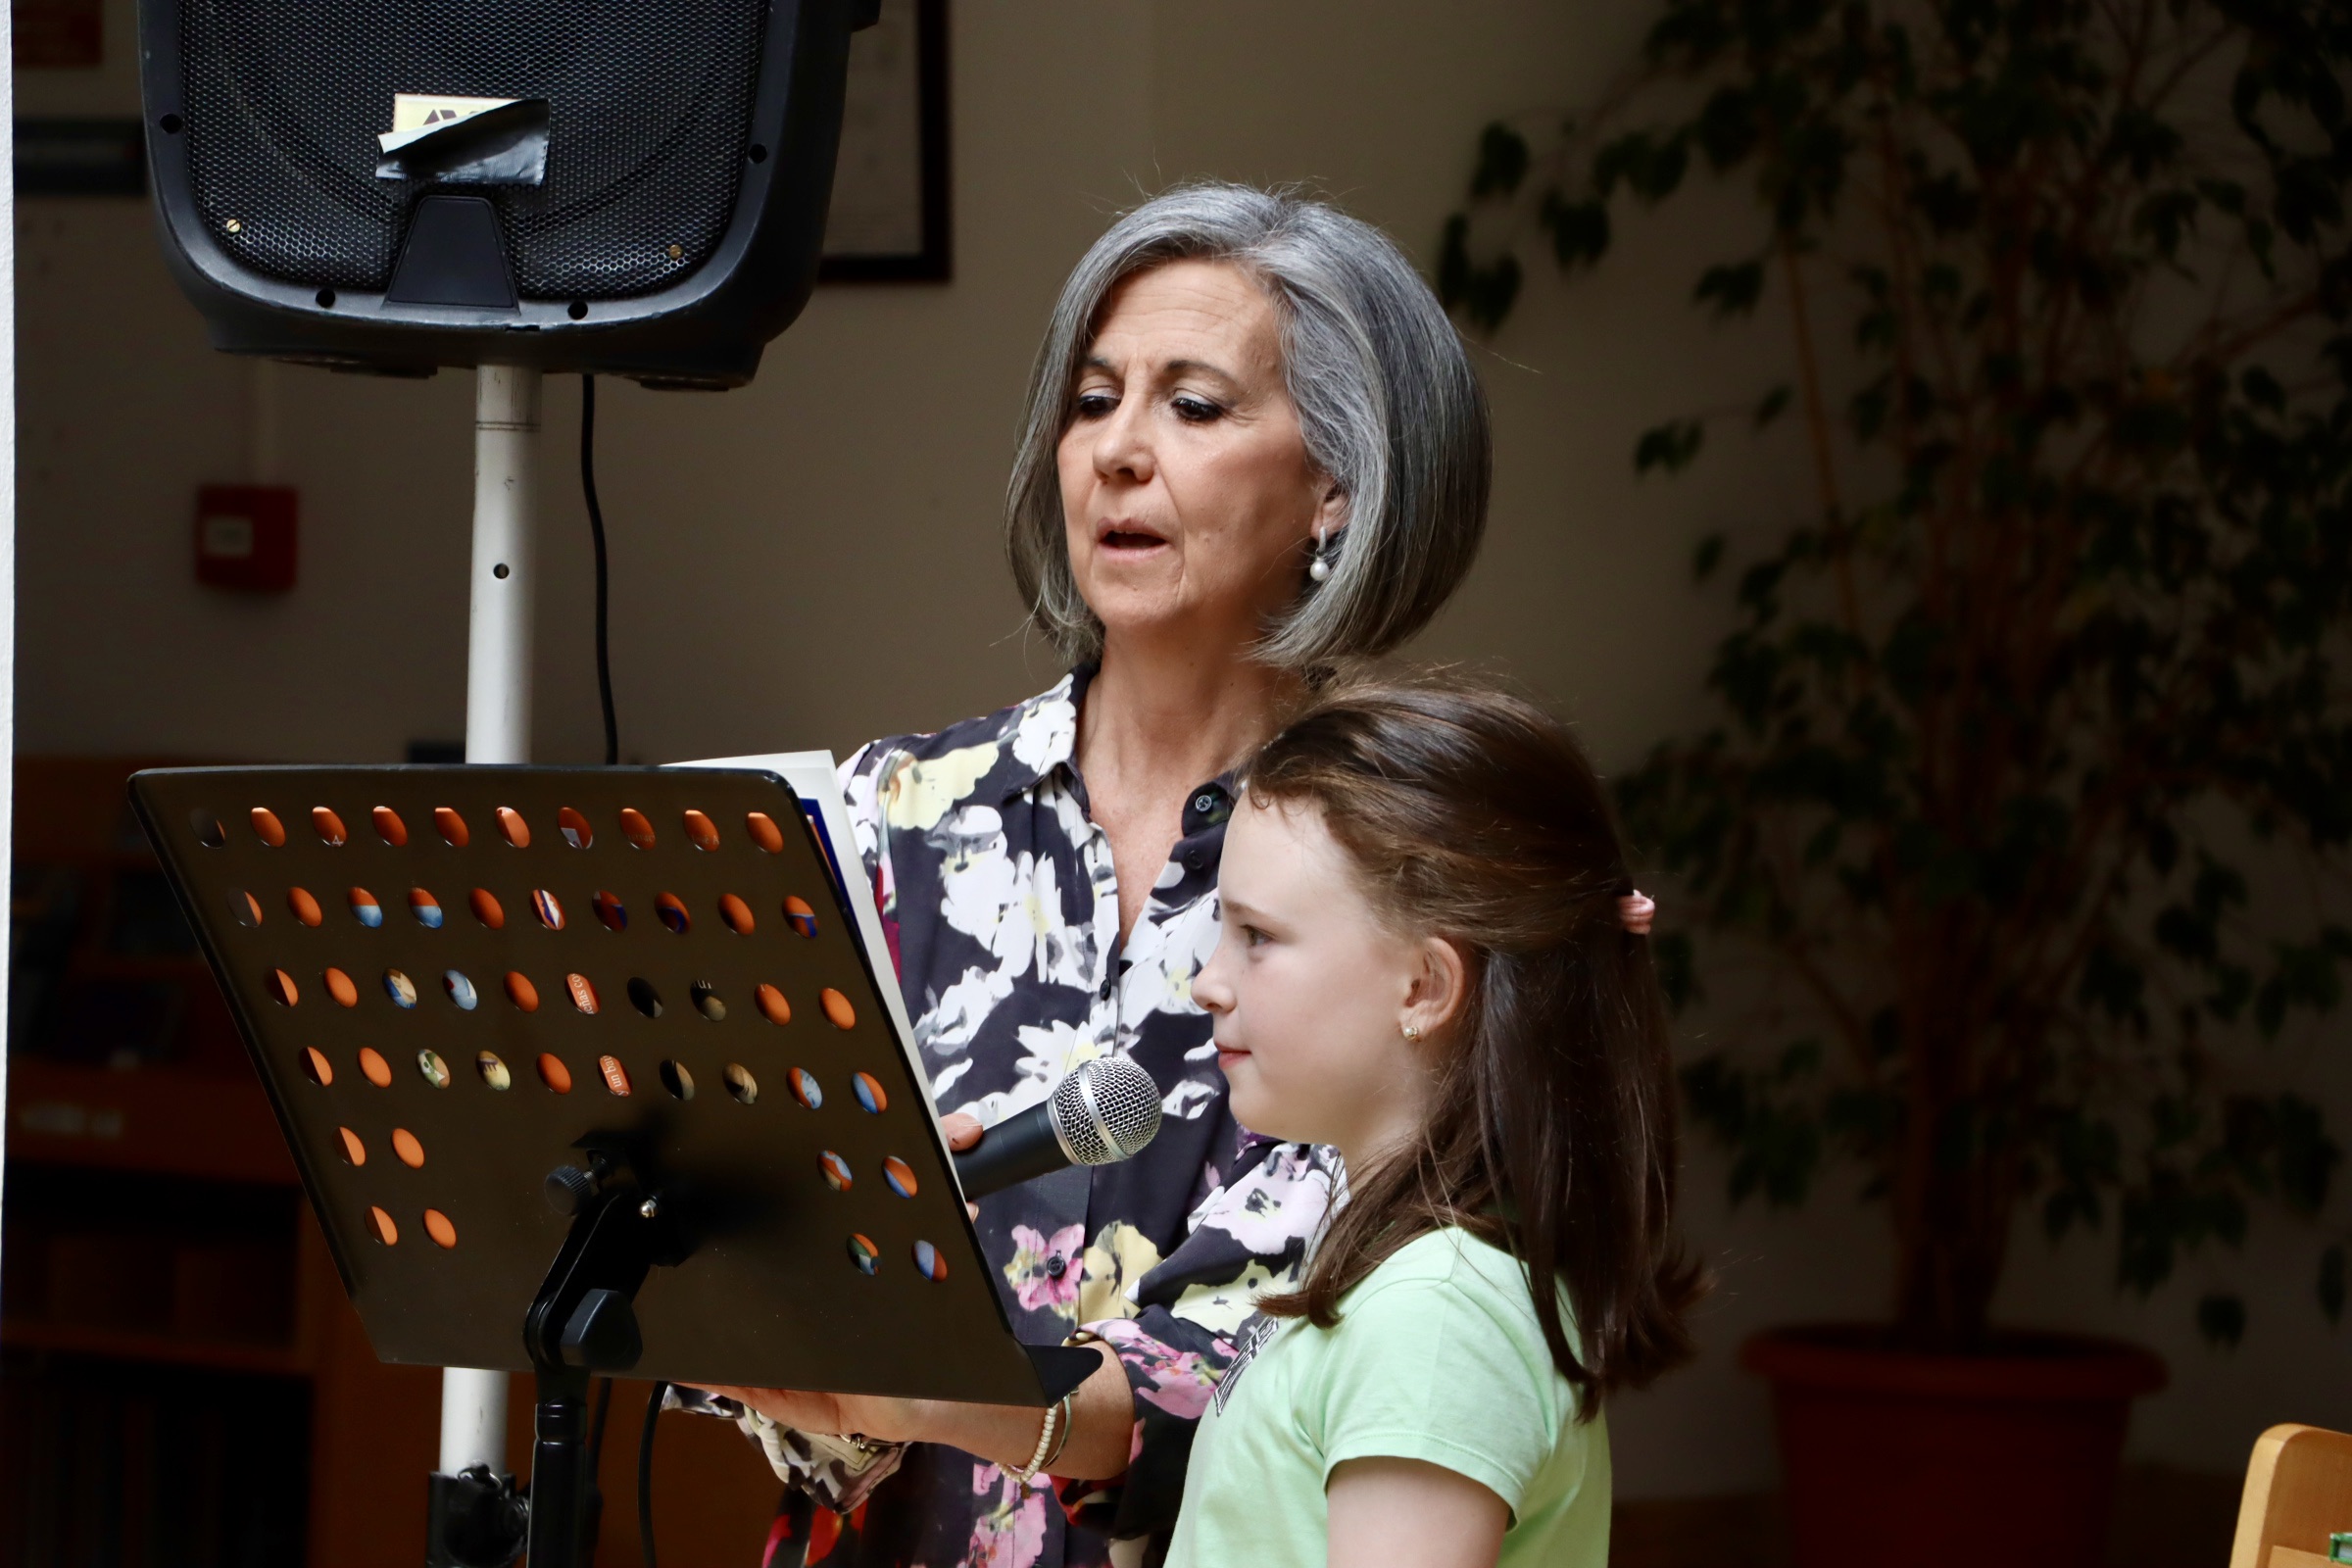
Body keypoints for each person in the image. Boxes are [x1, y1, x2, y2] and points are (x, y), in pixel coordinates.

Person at [690, 182, 1492, 1567]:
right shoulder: (885, 820)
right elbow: (748, 1276)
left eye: (1194, 406)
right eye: (1094, 399)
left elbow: (1291, 1352)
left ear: (1338, 489)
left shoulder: (1402, 881)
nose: (1117, 451)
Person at [1167, 680, 1705, 1568]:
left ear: (1423, 987)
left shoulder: (1436, 1320)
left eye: (1257, 936)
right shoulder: (1411, 1282)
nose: (1209, 983)